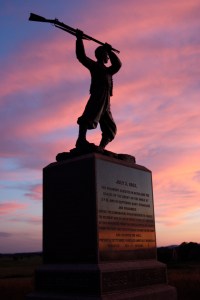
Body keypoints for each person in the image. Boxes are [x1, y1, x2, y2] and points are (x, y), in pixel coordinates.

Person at [75, 30, 122, 149]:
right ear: (101, 55)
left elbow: (118, 65)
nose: (107, 57)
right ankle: (81, 140)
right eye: (106, 55)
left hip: (106, 99)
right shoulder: (95, 66)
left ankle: (101, 148)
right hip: (98, 94)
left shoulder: (108, 71)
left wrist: (110, 51)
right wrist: (79, 39)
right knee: (90, 115)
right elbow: (81, 56)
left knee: (110, 127)